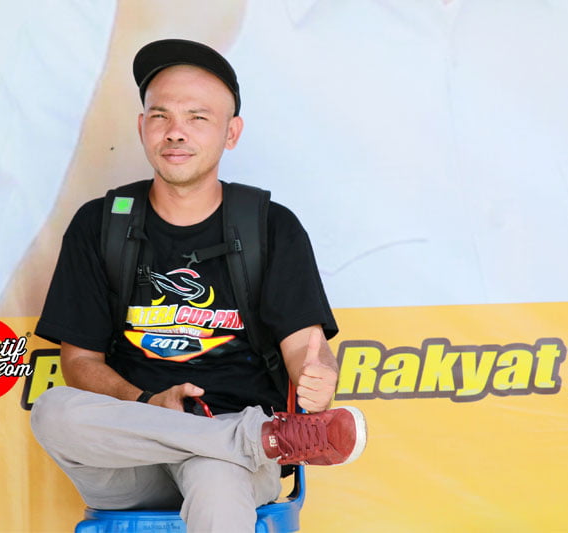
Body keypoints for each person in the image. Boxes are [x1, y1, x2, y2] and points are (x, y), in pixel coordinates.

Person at [30, 39, 367, 532]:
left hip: (230, 466)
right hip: (133, 454)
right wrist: (146, 402)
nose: (175, 132)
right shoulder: (100, 224)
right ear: (141, 127)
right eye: (160, 116)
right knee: (52, 410)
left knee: (217, 479)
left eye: (197, 117)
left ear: (231, 133)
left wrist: (318, 375)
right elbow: (80, 362)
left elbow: (305, 347)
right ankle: (257, 438)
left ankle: (242, 442)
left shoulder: (270, 226)